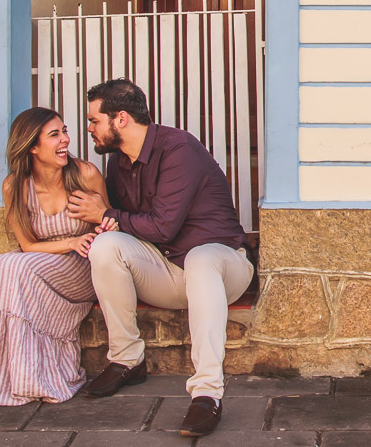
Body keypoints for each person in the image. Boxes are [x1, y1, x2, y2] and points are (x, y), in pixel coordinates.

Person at [67, 78, 252, 438]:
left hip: (222, 267)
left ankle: (207, 393)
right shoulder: (118, 164)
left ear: (120, 119)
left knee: (200, 257)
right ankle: (126, 359)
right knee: (106, 247)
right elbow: (124, 226)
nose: (89, 129)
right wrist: (103, 223)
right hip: (167, 271)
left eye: (93, 120)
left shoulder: (178, 148)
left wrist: (106, 213)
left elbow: (163, 227)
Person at [0, 107, 116, 412]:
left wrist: (102, 224)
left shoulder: (85, 174)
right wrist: (69, 241)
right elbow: (28, 245)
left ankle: (30, 373)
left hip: (82, 269)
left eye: (65, 131)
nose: (66, 140)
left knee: (11, 266)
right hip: (41, 267)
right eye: (55, 134)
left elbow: (110, 226)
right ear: (32, 146)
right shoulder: (14, 187)